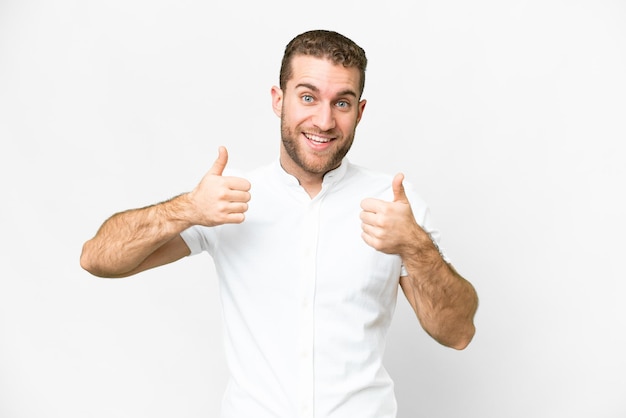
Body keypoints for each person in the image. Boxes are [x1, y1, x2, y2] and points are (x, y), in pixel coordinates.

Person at [80, 29, 478, 418]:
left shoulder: (395, 206)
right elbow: (97, 259)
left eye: (341, 103)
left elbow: (458, 333)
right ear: (279, 100)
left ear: (359, 111)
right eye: (308, 97)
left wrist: (415, 245)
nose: (323, 121)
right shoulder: (226, 198)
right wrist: (185, 209)